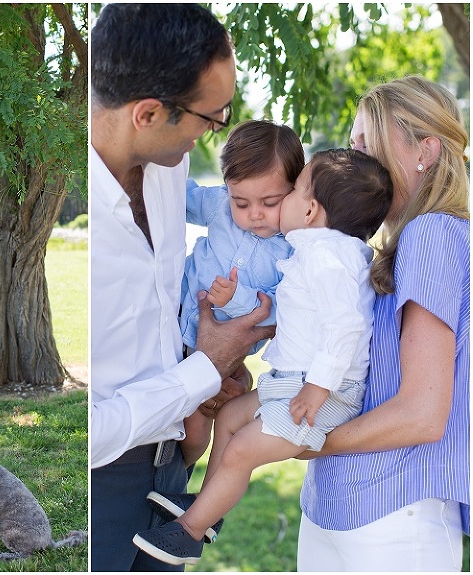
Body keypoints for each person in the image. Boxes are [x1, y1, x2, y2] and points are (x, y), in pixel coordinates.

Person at [134, 148, 394, 565]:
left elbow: (348, 326)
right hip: (292, 383)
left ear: (309, 209)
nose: (283, 201)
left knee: (243, 450)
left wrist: (318, 387)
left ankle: (190, 532)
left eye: (293, 191)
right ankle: (209, 503)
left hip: (323, 393)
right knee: (230, 416)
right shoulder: (314, 251)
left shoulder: (329, 257)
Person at [90, 4, 275, 571]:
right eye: (212, 118)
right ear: (148, 113)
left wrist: (215, 370)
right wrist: (202, 370)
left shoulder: (169, 164)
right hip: (101, 486)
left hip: (174, 466)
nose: (213, 133)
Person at [297, 76, 469, 571]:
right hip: (333, 504)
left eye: (366, 145)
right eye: (352, 144)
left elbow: (422, 412)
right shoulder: (388, 248)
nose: (352, 159)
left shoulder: (432, 234)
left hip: (395, 516)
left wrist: (306, 440)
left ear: (425, 151)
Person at [178, 119, 304, 466]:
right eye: (241, 203)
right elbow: (181, 198)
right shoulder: (219, 205)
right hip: (175, 325)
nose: (255, 215)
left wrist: (237, 300)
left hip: (220, 353)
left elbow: (278, 310)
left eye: (270, 202)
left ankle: (179, 474)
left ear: (295, 190)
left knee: (195, 432)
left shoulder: (294, 248)